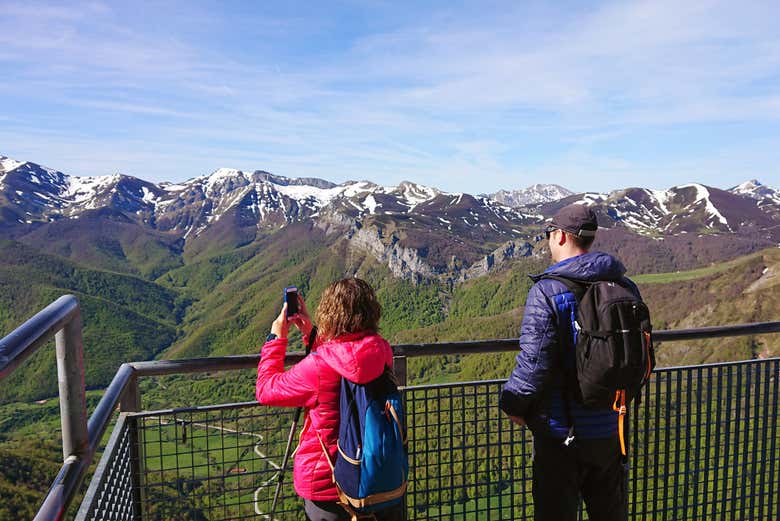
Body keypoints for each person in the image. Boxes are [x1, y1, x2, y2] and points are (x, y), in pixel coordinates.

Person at [499, 204, 640, 521]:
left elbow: (533, 363)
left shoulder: (547, 291)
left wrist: (512, 405)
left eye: (549, 234)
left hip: (562, 433)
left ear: (561, 236)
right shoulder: (625, 286)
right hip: (611, 428)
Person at [255, 277, 404, 521]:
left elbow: (265, 389)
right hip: (375, 476)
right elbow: (350, 358)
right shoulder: (381, 351)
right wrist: (311, 334)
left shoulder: (318, 366)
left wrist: (276, 338)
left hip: (327, 483)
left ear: (330, 313)